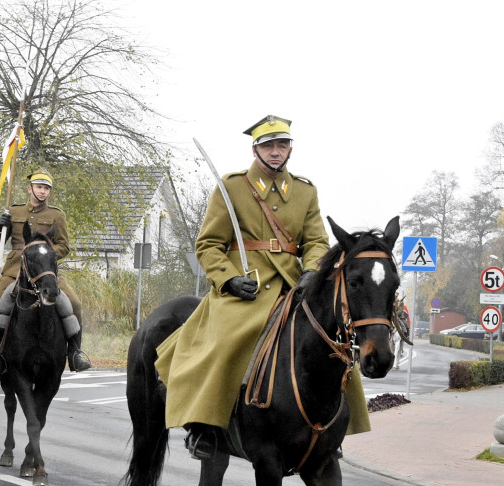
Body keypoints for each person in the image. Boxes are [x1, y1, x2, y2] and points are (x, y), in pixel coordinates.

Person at [154, 114, 368, 459]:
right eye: (268, 145)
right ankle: (204, 427)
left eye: (281, 145)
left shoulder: (304, 191)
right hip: (246, 285)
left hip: (293, 285)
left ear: (290, 150)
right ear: (255, 149)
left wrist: (312, 271)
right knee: (224, 342)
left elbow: (316, 241)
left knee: (333, 342)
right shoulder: (232, 187)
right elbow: (208, 245)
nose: (275, 151)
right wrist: (228, 279)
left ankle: (332, 430)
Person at [0, 169, 91, 373]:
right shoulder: (14, 212)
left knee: (75, 304)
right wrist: (0, 228)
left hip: (44, 271)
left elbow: (64, 246)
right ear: (30, 189)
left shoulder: (56, 215)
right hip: (14, 269)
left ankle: (75, 353)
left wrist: (45, 255)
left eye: (46, 188)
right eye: (39, 187)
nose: (42, 192)